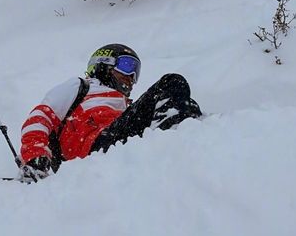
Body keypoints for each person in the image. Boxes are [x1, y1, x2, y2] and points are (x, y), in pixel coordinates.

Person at [19, 44, 202, 182]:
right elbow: (40, 118)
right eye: (126, 65)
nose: (131, 76)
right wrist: (36, 157)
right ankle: (183, 136)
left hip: (125, 149)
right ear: (103, 64)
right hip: (95, 148)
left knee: (177, 97)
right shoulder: (82, 87)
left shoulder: (125, 105)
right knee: (172, 82)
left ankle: (190, 137)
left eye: (135, 71)